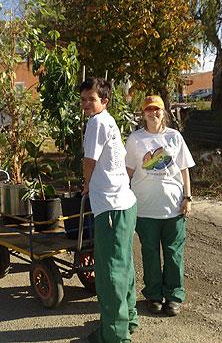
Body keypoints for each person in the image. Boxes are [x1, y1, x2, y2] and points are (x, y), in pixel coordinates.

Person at [125, 95, 195, 316]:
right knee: (150, 253)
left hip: (173, 207)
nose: (152, 113)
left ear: (163, 112)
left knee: (174, 254)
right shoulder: (135, 140)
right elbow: (128, 172)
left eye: (157, 109)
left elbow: (184, 169)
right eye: (148, 109)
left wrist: (188, 197)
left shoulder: (174, 137)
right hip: (145, 209)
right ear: (142, 113)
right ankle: (154, 295)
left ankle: (174, 296)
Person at [80, 78, 138, 343]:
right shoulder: (111, 121)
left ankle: (115, 335)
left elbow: (89, 160)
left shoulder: (96, 122)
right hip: (125, 202)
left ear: (104, 101)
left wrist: (86, 184)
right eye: (83, 100)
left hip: (111, 206)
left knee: (110, 271)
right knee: (123, 263)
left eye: (91, 99)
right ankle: (129, 318)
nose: (86, 104)